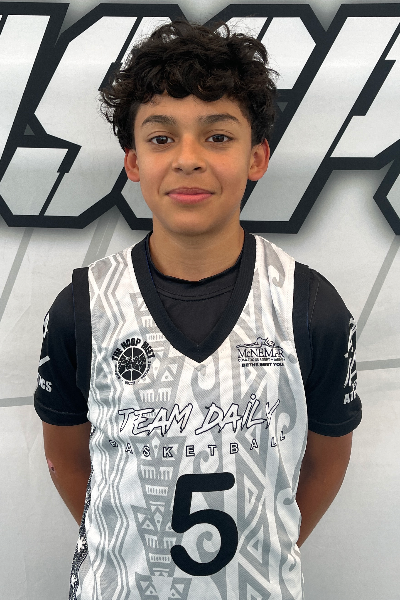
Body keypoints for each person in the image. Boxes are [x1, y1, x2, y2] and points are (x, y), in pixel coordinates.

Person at [34, 18, 362, 600]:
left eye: (217, 137)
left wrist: (265, 549)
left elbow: (326, 462)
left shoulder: (310, 307)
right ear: (133, 161)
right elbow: (66, 456)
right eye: (161, 138)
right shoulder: (83, 308)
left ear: (257, 157)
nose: (188, 159)